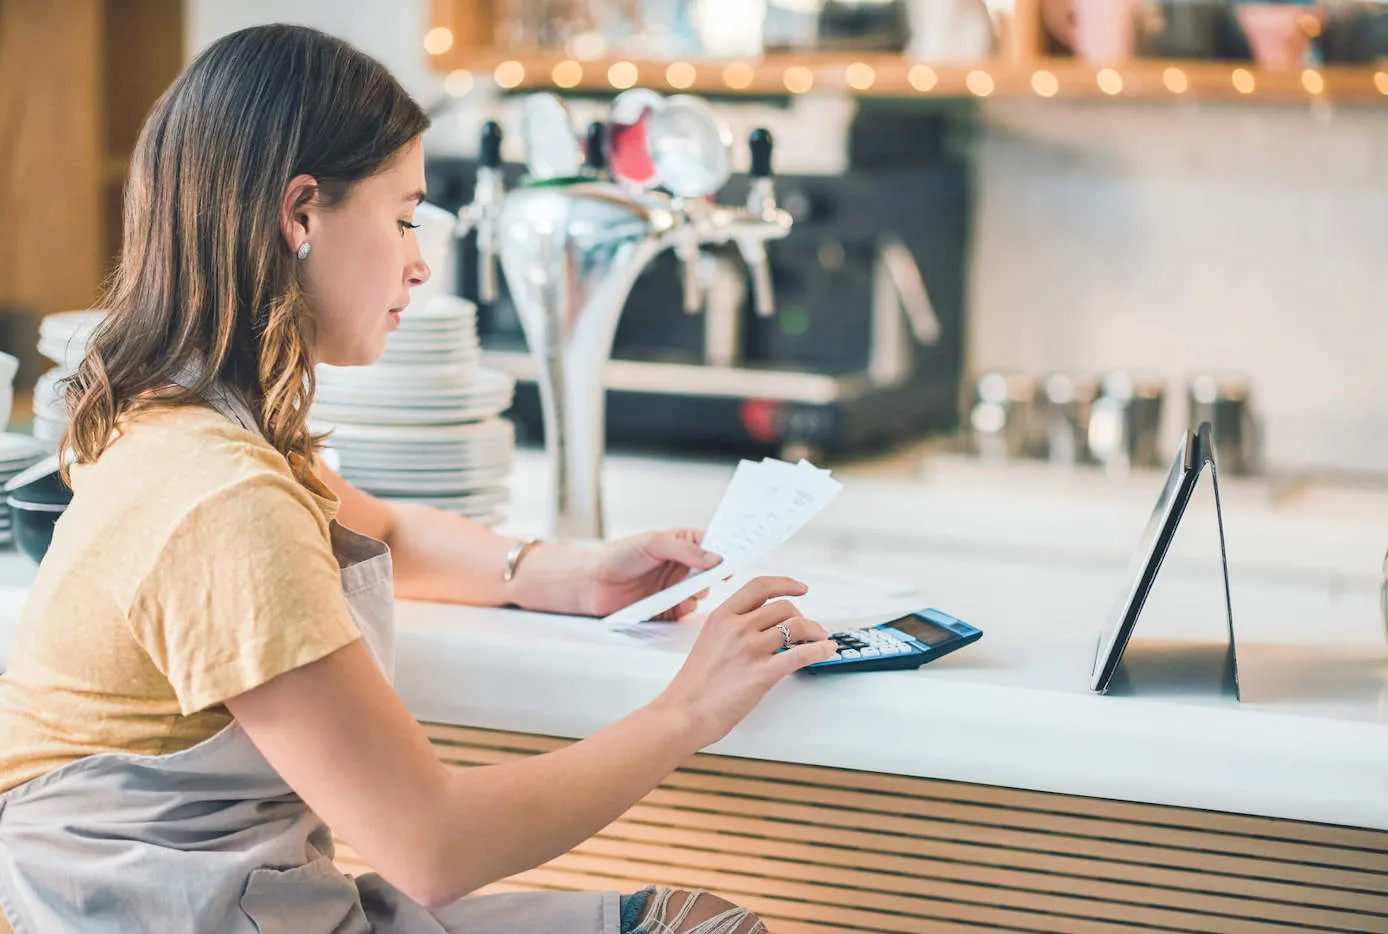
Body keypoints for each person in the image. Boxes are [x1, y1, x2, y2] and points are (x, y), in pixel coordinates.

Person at [0, 24, 837, 934]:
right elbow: (432, 848)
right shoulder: (220, 499)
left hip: (240, 902)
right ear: (301, 214)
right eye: (402, 217)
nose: (420, 260)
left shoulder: (181, 420)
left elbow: (386, 533)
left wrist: (566, 571)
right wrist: (689, 709)